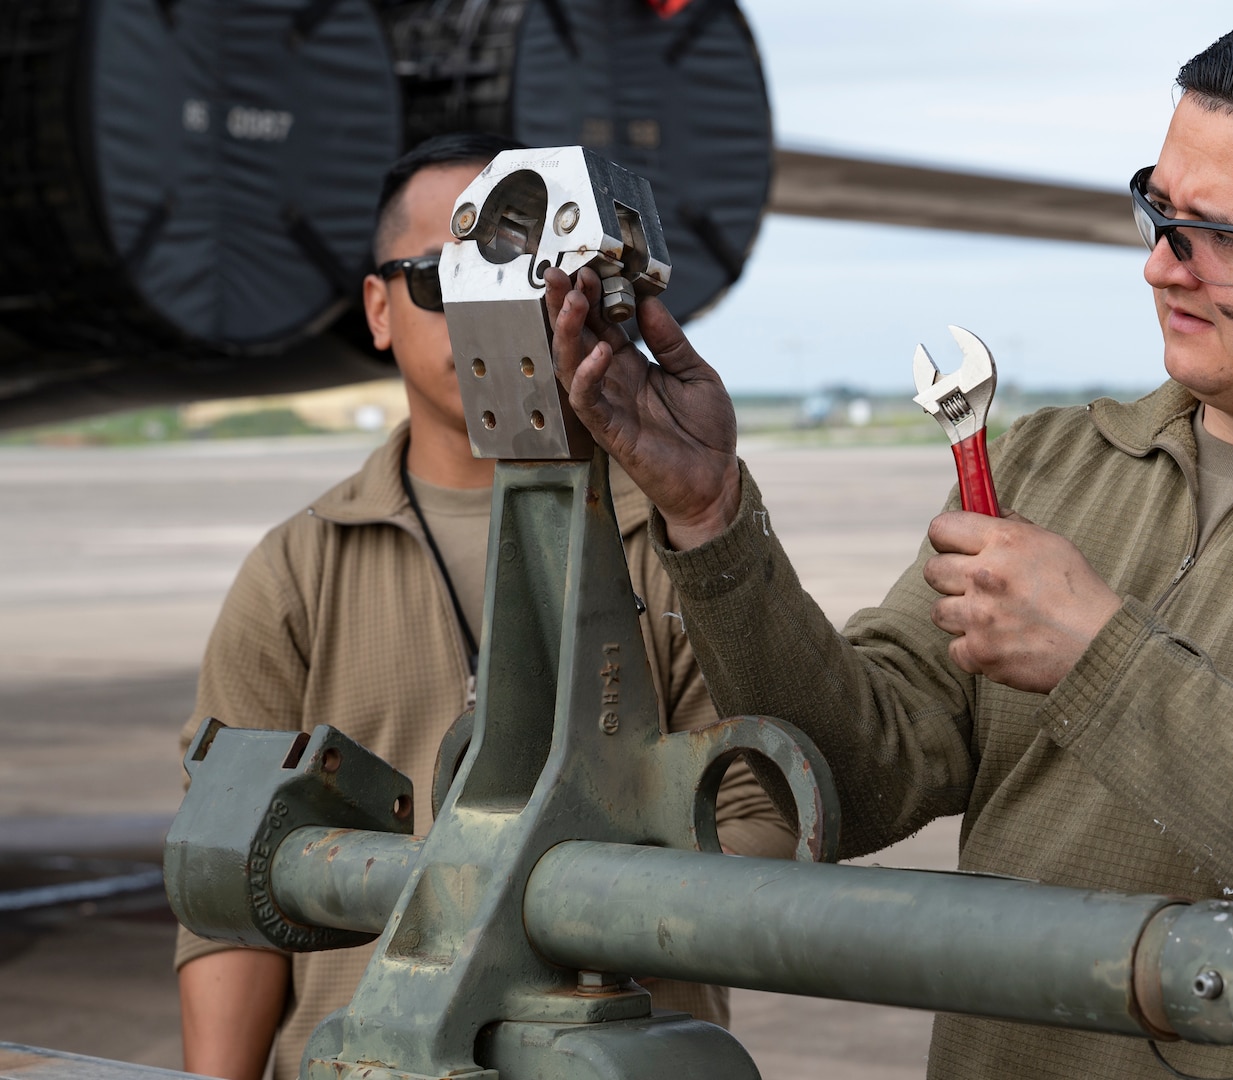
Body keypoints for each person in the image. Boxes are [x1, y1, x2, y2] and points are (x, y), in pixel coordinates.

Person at [538, 6, 1233, 1079]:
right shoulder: (1049, 468)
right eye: (1160, 208)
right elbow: (849, 783)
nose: (1162, 267)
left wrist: (1103, 658)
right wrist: (714, 520)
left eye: (1224, 235)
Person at [173, 132, 796, 1080]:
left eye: (515, 267)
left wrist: (588, 903)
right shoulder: (299, 571)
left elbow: (757, 816)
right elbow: (229, 883)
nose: (482, 302)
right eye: (441, 275)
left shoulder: (672, 548)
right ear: (378, 308)